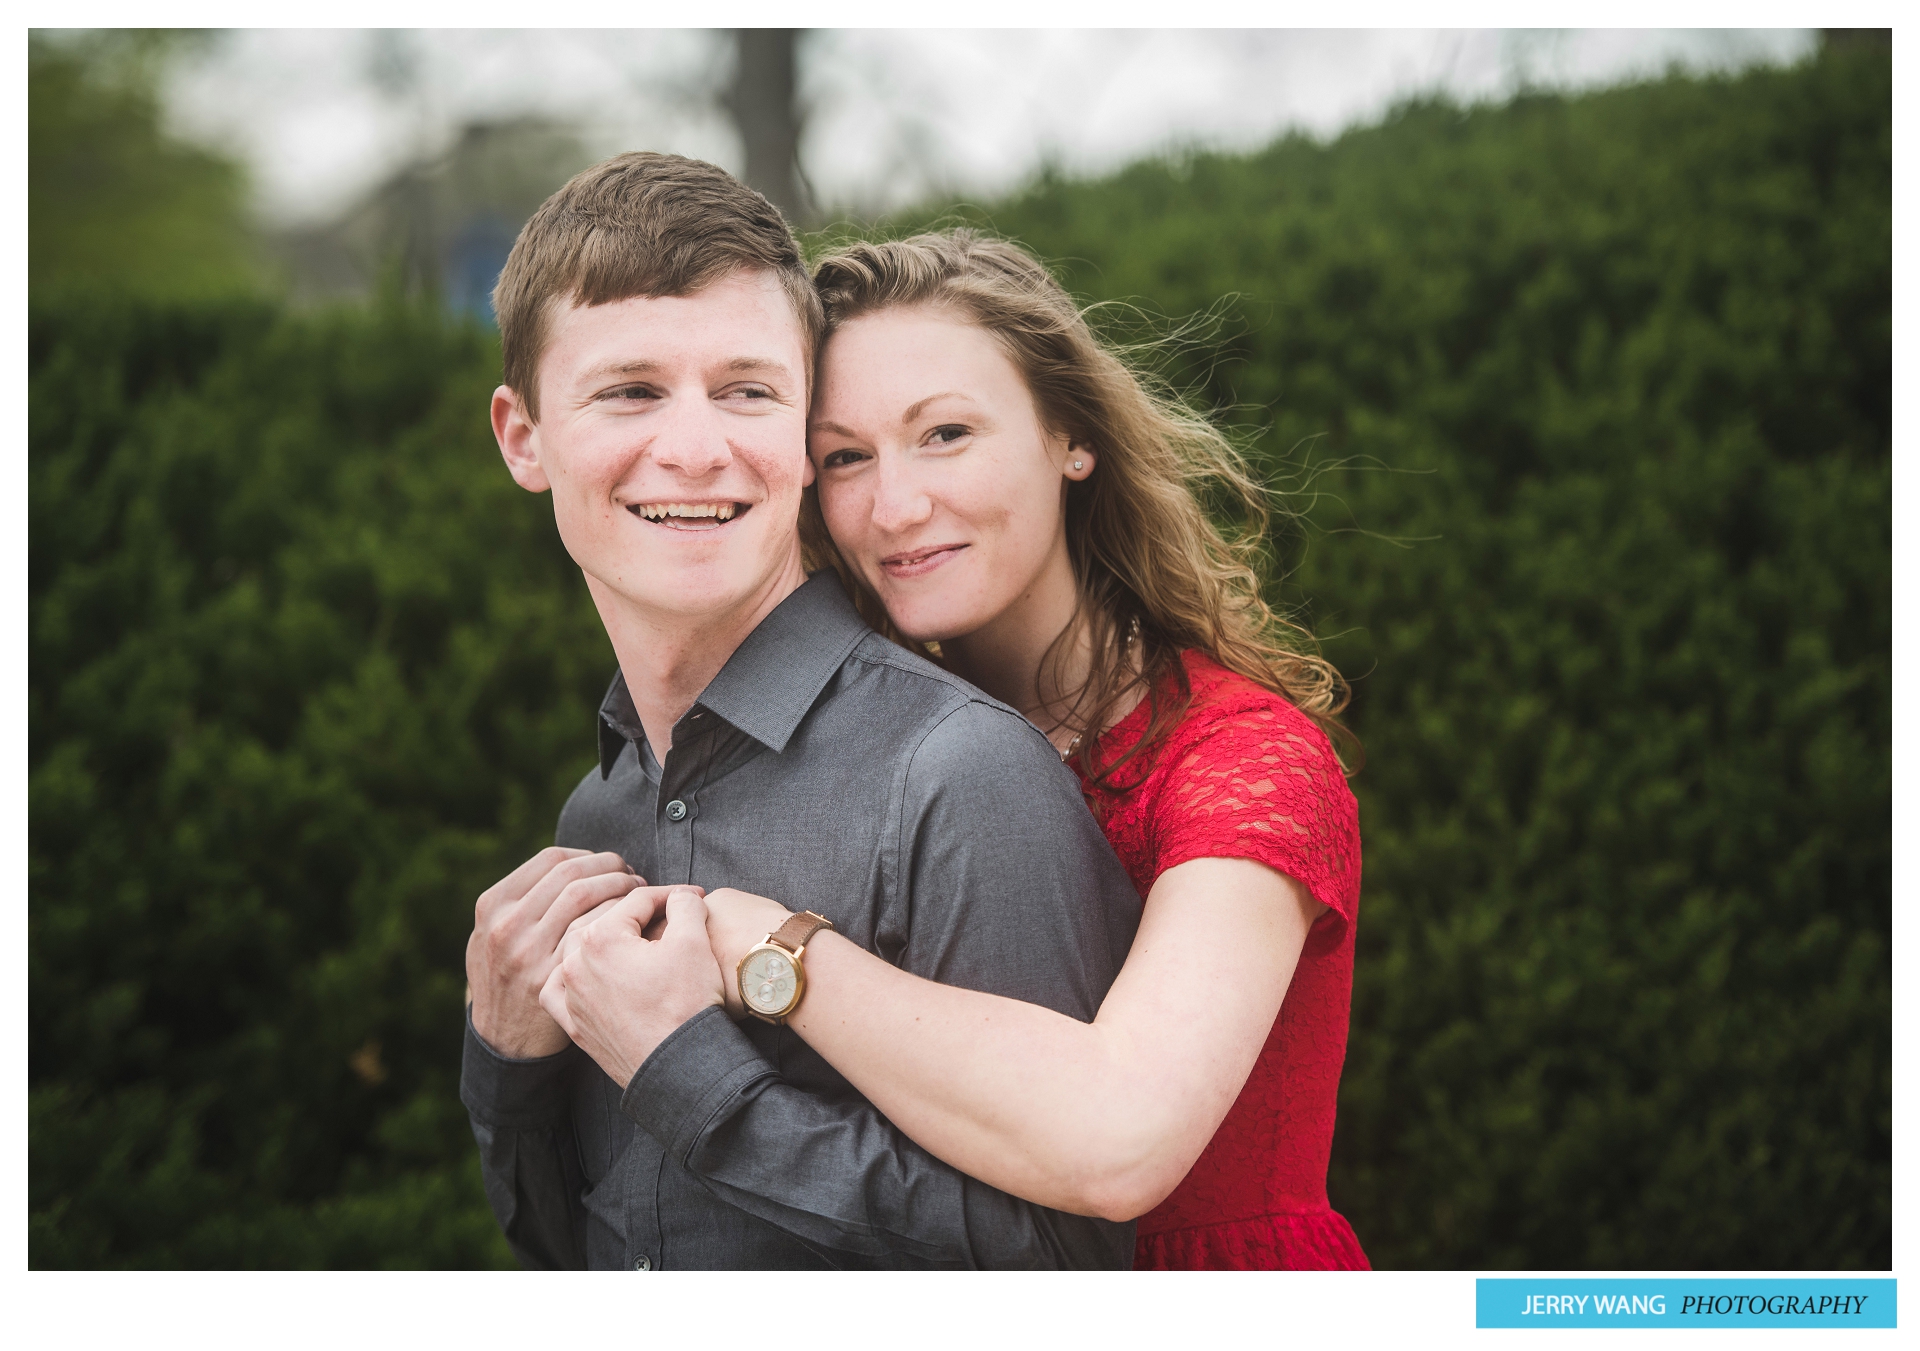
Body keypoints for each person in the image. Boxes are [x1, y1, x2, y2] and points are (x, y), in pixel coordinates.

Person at [459, 154, 1143, 1269]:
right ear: (523, 436)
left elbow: (1065, 1264)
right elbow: (574, 1249)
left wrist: (689, 1070)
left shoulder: (957, 777)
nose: (694, 447)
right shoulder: (595, 818)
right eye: (630, 390)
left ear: (801, 429)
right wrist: (507, 1057)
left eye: (747, 390)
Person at [657, 230, 1371, 1269]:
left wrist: (779, 956)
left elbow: (1123, 1141)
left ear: (1069, 433)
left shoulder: (1243, 758)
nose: (894, 508)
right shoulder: (883, 756)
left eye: (944, 433)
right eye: (846, 457)